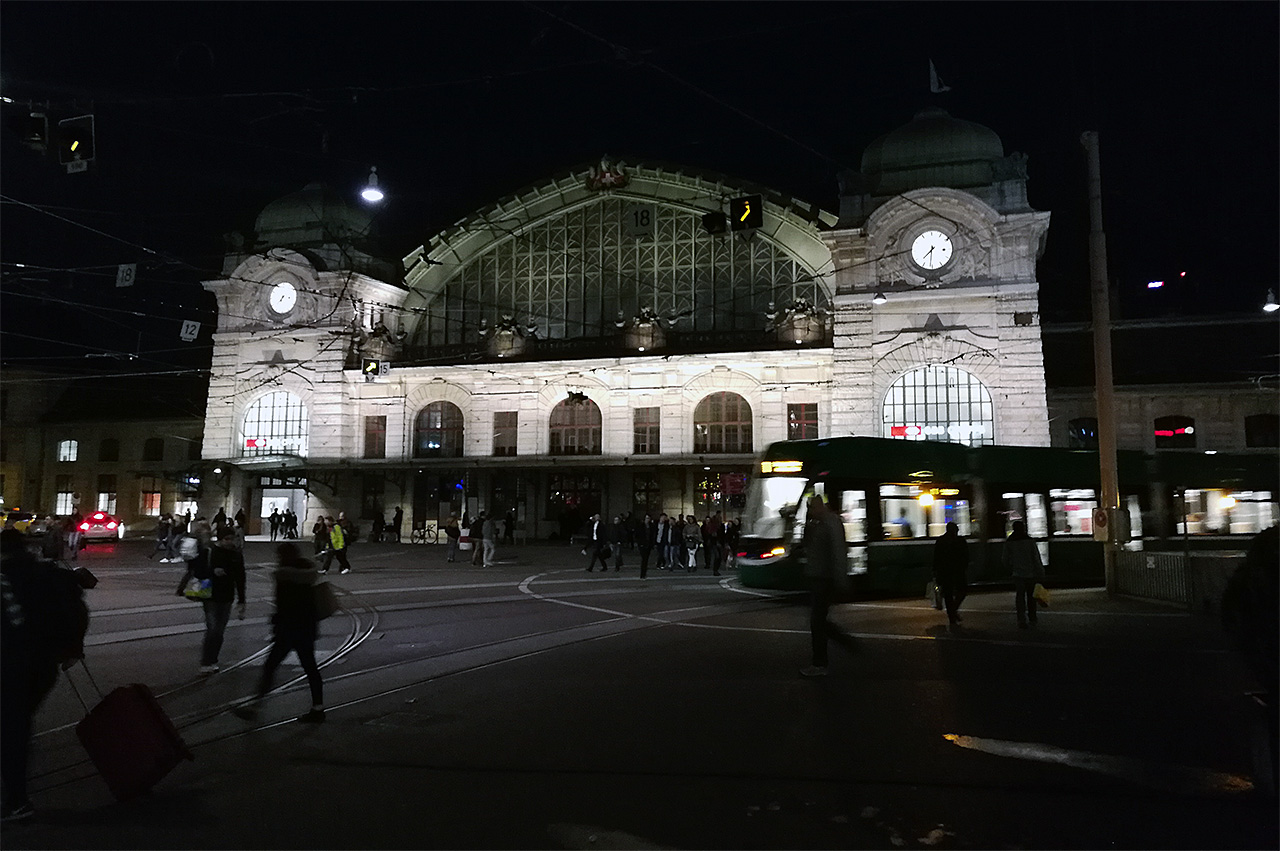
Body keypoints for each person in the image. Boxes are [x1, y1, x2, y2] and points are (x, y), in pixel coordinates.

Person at [1, 528, 89, 822]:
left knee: (11, 728)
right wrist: (73, 649)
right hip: (43, 666)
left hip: (10, 665)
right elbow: (77, 608)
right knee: (18, 724)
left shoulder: (3, 577)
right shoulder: (47, 573)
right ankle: (16, 793)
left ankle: (16, 800)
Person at [233, 542, 324, 725]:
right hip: (306, 628)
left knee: (270, 667)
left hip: (288, 630)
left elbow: (283, 605)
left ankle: (255, 707)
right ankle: (318, 708)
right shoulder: (308, 573)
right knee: (310, 668)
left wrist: (277, 625)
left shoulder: (283, 576)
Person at [800, 495, 853, 677]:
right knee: (819, 621)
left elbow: (838, 552)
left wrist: (840, 579)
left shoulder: (831, 523)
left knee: (817, 621)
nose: (811, 512)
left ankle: (821, 663)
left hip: (824, 578)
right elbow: (808, 545)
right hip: (818, 577)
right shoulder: (817, 524)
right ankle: (842, 645)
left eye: (812, 509)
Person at [193, 529, 247, 674]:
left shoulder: (236, 555)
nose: (230, 542)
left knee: (219, 631)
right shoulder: (209, 551)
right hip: (210, 595)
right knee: (213, 629)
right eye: (227, 539)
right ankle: (205, 662)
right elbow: (197, 571)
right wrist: (212, 571)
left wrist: (242, 600)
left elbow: (241, 578)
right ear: (221, 539)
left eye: (232, 538)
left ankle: (213, 660)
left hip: (227, 597)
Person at [1003, 520, 1044, 629]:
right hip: (1030, 573)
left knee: (1020, 597)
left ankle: (1021, 620)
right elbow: (1036, 557)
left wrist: (1009, 569)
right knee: (1031, 597)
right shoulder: (1029, 541)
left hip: (1017, 574)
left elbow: (1005, 559)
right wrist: (1040, 571)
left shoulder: (1010, 541)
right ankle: (1032, 618)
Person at [932, 521, 969, 627]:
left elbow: (936, 557)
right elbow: (965, 556)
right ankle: (953, 611)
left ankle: (951, 615)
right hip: (958, 571)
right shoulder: (960, 541)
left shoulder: (941, 541)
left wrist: (935, 571)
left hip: (945, 572)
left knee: (948, 595)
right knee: (962, 591)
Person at [638, 513, 655, 579]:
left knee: (646, 559)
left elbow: (652, 535)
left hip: (648, 545)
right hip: (642, 544)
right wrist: (640, 543)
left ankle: (644, 573)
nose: (647, 520)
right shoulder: (641, 526)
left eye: (648, 518)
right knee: (644, 559)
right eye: (646, 518)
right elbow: (638, 535)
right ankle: (642, 574)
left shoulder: (651, 526)